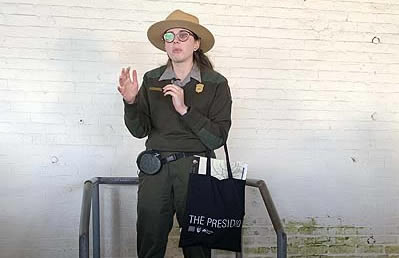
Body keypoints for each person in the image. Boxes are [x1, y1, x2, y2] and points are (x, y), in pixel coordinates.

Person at [117, 9, 232, 258]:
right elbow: (139, 131)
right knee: (149, 239)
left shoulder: (215, 83)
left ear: (197, 43)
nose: (176, 42)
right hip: (155, 169)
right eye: (170, 36)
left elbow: (218, 138)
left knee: (198, 246)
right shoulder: (151, 79)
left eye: (183, 36)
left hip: (197, 169)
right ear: (164, 44)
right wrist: (131, 102)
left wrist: (184, 109)